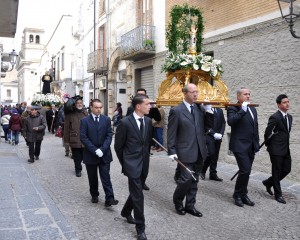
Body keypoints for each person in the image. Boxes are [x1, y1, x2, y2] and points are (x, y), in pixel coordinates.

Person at [167, 83, 213, 218]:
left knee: (194, 180)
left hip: (199, 151)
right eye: (192, 92)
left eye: (196, 92)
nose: (195, 94)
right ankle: (178, 202)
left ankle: (190, 205)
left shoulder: (199, 109)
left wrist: (209, 111)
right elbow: (171, 133)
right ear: (185, 93)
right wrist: (171, 150)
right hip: (184, 151)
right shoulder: (176, 110)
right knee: (186, 179)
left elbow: (207, 127)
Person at [114, 94, 153, 240]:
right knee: (138, 196)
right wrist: (126, 164)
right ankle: (140, 229)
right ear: (138, 106)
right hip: (131, 164)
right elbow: (118, 146)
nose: (150, 106)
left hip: (144, 164)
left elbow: (147, 143)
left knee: (136, 191)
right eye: (148, 104)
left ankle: (125, 211)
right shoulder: (125, 123)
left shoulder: (148, 121)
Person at [80, 99, 119, 207]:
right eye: (96, 107)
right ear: (91, 107)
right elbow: (83, 137)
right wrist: (95, 150)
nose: (98, 110)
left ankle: (109, 198)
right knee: (92, 177)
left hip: (105, 154)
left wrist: (103, 149)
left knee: (106, 177)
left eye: (100, 107)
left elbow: (109, 135)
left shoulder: (106, 119)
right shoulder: (85, 121)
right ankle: (94, 195)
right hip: (90, 154)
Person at [227, 87, 259, 207]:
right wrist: (242, 110)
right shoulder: (233, 108)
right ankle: (237, 195)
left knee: (247, 171)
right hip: (239, 145)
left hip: (251, 146)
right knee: (245, 169)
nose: (248, 96)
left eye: (249, 94)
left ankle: (243, 194)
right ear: (238, 97)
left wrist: (257, 144)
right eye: (245, 94)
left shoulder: (253, 109)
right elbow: (231, 121)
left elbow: (255, 127)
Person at [126, 88, 160, 191]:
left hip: (146, 140)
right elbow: (127, 124)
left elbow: (158, 118)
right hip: (135, 142)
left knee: (145, 163)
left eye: (144, 95)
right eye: (139, 95)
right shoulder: (132, 109)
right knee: (136, 163)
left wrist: (154, 107)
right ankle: (136, 181)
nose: (142, 97)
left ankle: (142, 181)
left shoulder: (149, 107)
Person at [262, 94, 292, 204]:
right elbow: (267, 133)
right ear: (279, 105)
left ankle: (268, 182)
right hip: (276, 150)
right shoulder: (275, 117)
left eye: (288, 101)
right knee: (276, 171)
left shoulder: (289, 117)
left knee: (287, 169)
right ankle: (278, 195)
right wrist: (271, 146)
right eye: (284, 102)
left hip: (285, 149)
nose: (287, 104)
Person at [64, 96, 88, 177]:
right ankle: (78, 170)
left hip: (84, 139)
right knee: (77, 156)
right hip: (74, 138)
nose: (79, 104)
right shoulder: (70, 115)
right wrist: (66, 141)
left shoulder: (86, 113)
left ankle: (79, 165)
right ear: (75, 104)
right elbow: (66, 128)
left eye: (80, 103)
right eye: (78, 103)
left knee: (82, 156)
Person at [200, 107, 226, 181]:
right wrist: (213, 134)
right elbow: (204, 125)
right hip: (209, 135)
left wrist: (221, 133)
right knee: (211, 153)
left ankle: (213, 174)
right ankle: (203, 170)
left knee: (215, 156)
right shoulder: (205, 110)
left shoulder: (219, 110)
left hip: (218, 136)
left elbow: (223, 123)